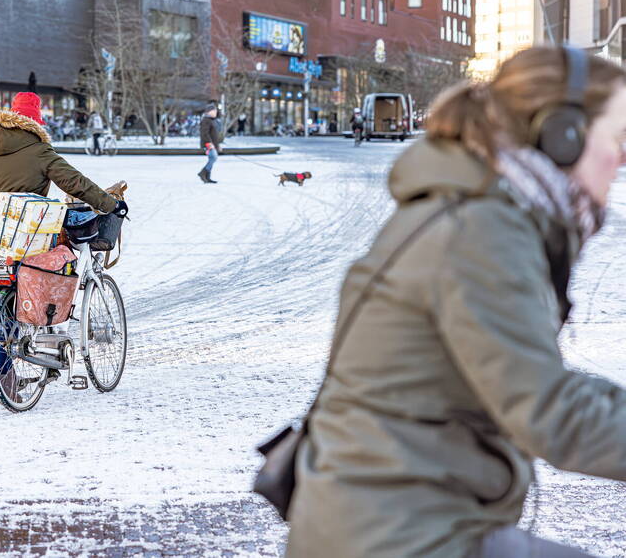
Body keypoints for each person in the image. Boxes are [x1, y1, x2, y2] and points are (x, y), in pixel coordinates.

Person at [285, 46, 626, 557]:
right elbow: (548, 411)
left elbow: (533, 384)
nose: (622, 158)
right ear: (562, 135)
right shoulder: (482, 230)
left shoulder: (481, 209)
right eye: (619, 139)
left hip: (388, 518)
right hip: (392, 535)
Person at [0, 91, 127, 404]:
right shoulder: (39, 149)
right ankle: (45, 344)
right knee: (42, 278)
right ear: (34, 122)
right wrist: (108, 204)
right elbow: (74, 183)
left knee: (4, 297)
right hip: (20, 233)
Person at [198, 103, 221, 184]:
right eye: (214, 111)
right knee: (213, 158)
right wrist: (209, 143)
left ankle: (207, 177)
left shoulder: (211, 120)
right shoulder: (206, 120)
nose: (215, 112)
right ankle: (203, 173)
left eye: (216, 111)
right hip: (208, 144)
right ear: (209, 112)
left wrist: (217, 145)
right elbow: (204, 133)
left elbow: (214, 134)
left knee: (212, 158)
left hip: (213, 144)